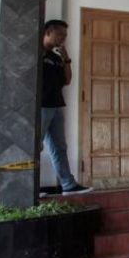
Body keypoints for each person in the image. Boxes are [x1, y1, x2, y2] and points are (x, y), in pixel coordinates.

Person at [40, 20, 92, 196]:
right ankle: (29, 188)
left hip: (56, 106)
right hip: (40, 107)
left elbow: (67, 81)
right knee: (33, 147)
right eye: (60, 34)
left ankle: (68, 184)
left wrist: (66, 58)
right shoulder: (35, 52)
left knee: (59, 147)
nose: (63, 38)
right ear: (48, 32)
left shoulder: (55, 57)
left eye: (65, 35)